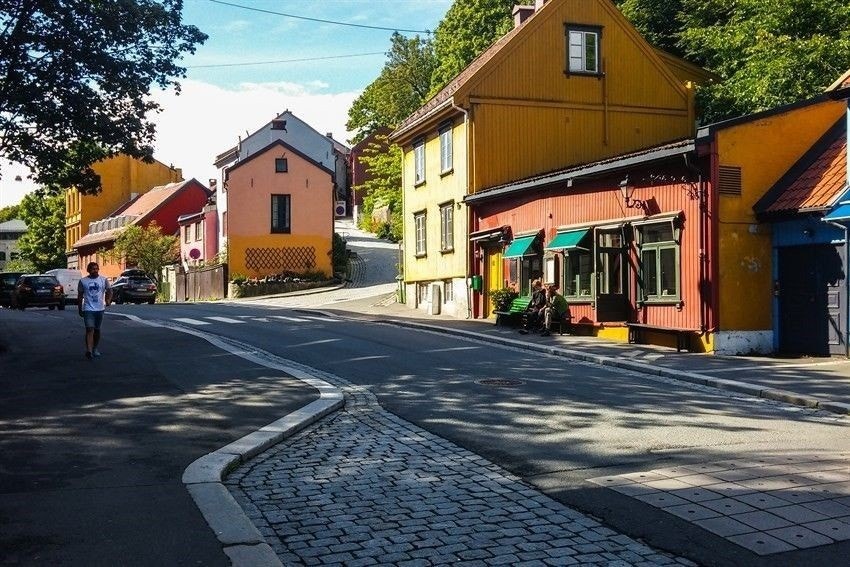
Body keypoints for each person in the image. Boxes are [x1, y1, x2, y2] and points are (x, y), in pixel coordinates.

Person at [78, 262, 112, 359]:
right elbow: (80, 296)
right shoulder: (83, 281)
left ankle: (95, 348)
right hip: (88, 309)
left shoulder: (103, 279)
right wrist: (80, 309)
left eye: (97, 269)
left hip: (100, 309)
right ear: (88, 270)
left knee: (97, 330)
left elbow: (110, 290)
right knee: (89, 329)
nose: (95, 271)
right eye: (93, 269)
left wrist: (108, 300)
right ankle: (89, 351)